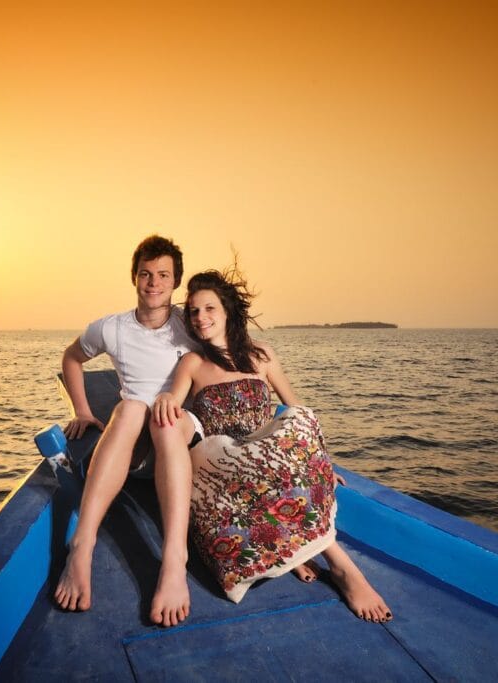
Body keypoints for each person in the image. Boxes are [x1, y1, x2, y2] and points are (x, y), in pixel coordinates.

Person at [152, 268, 393, 622]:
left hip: (265, 450)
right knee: (262, 460)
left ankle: (304, 558)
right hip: (224, 456)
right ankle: (340, 565)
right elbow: (173, 402)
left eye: (209, 309)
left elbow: (296, 410)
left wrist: (323, 462)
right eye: (193, 311)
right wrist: (164, 399)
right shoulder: (193, 362)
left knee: (301, 422)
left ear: (227, 311)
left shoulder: (262, 355)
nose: (200, 318)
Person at [55, 234, 201, 627]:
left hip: (179, 438)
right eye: (146, 274)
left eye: (163, 276)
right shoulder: (112, 328)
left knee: (164, 417)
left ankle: (173, 561)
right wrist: (82, 410)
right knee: (133, 407)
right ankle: (82, 546)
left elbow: (231, 355)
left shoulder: (190, 325)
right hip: (134, 448)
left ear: (176, 283)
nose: (154, 283)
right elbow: (71, 358)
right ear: (134, 278)